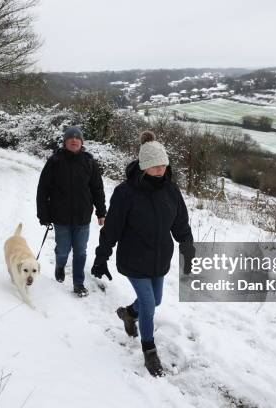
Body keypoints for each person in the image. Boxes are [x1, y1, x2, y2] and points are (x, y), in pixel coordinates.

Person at [91, 131, 195, 376]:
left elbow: (181, 224)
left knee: (155, 300)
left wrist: (188, 248)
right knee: (149, 304)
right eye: (153, 165)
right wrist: (101, 256)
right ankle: (149, 350)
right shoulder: (126, 193)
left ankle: (128, 314)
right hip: (134, 258)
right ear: (143, 166)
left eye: (162, 165)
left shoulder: (171, 191)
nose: (159, 169)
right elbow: (112, 228)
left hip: (159, 259)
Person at [36, 126, 106, 297]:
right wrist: (43, 214)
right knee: (63, 250)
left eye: (77, 138)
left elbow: (97, 188)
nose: (74, 140)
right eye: (70, 138)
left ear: (81, 142)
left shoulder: (89, 162)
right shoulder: (55, 161)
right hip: (61, 217)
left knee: (80, 252)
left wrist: (101, 212)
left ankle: (78, 283)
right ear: (65, 142)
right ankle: (60, 265)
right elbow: (43, 189)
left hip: (83, 217)